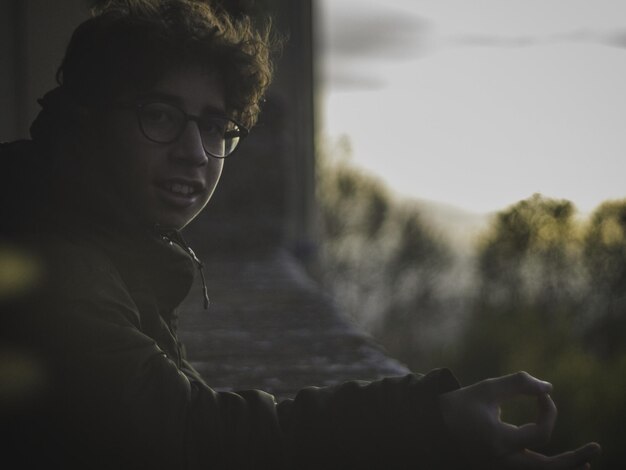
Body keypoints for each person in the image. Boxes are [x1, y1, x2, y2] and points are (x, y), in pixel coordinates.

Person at [0, 1, 601, 469]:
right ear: (88, 118)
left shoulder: (88, 232)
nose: (194, 152)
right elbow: (196, 443)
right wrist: (433, 422)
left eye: (215, 126)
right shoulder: (51, 264)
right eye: (159, 115)